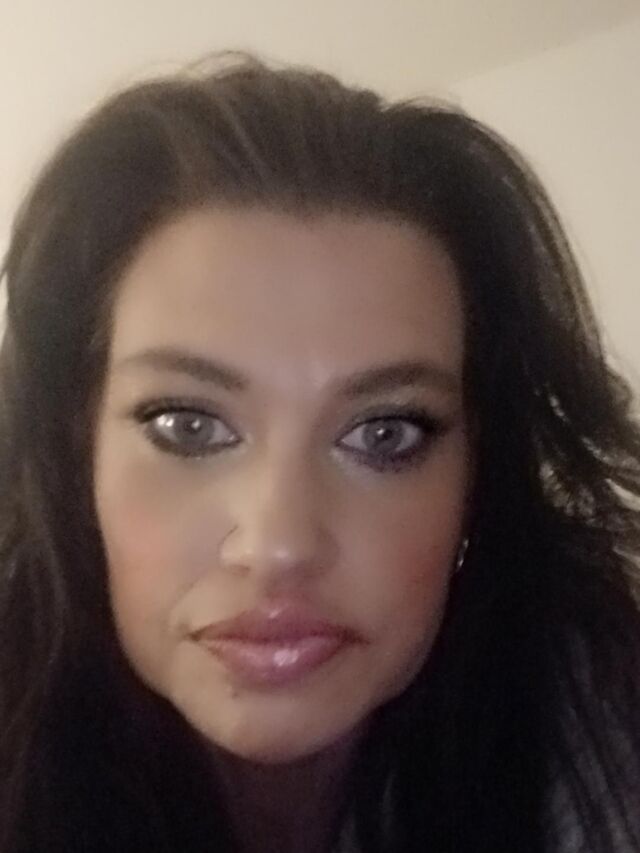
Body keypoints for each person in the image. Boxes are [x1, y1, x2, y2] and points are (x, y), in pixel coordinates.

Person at [0, 50, 639, 853]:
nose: (279, 543)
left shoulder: (595, 709)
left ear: (477, 476)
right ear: (78, 451)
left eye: (385, 432)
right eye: (186, 424)